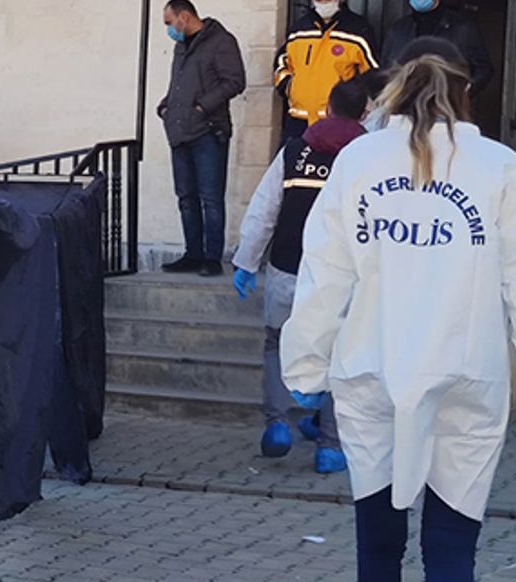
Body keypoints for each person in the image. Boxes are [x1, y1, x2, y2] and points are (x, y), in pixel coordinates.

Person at [281, 50, 516, 582]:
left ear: (391, 90)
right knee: (453, 535)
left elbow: (324, 272)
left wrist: (303, 366)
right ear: (465, 95)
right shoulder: (499, 166)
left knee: (379, 539)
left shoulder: (359, 161)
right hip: (469, 370)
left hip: (375, 370)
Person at [231, 78, 368, 475]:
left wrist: (245, 260)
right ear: (365, 113)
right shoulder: (368, 158)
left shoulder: (294, 151)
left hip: (287, 270)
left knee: (276, 344)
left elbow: (264, 209)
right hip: (344, 278)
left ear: (327, 107)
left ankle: (277, 423)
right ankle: (329, 445)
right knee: (339, 355)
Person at [157, 0, 247, 277]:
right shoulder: (181, 46)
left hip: (208, 130)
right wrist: (166, 105)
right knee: (186, 197)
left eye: (169, 23)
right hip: (180, 130)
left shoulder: (221, 41)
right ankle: (192, 253)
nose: (169, 30)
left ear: (184, 17)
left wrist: (202, 106)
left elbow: (235, 81)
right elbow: (181, 85)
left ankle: (211, 257)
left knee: (210, 197)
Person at [273, 0, 378, 141]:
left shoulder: (359, 30)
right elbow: (282, 64)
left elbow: (372, 74)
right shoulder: (299, 29)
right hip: (298, 121)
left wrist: (350, 100)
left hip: (338, 122)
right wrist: (291, 87)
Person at [383, 0, 492, 94]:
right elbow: (385, 70)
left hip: (446, 110)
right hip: (404, 109)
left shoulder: (462, 28)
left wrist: (462, 94)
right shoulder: (398, 30)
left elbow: (483, 69)